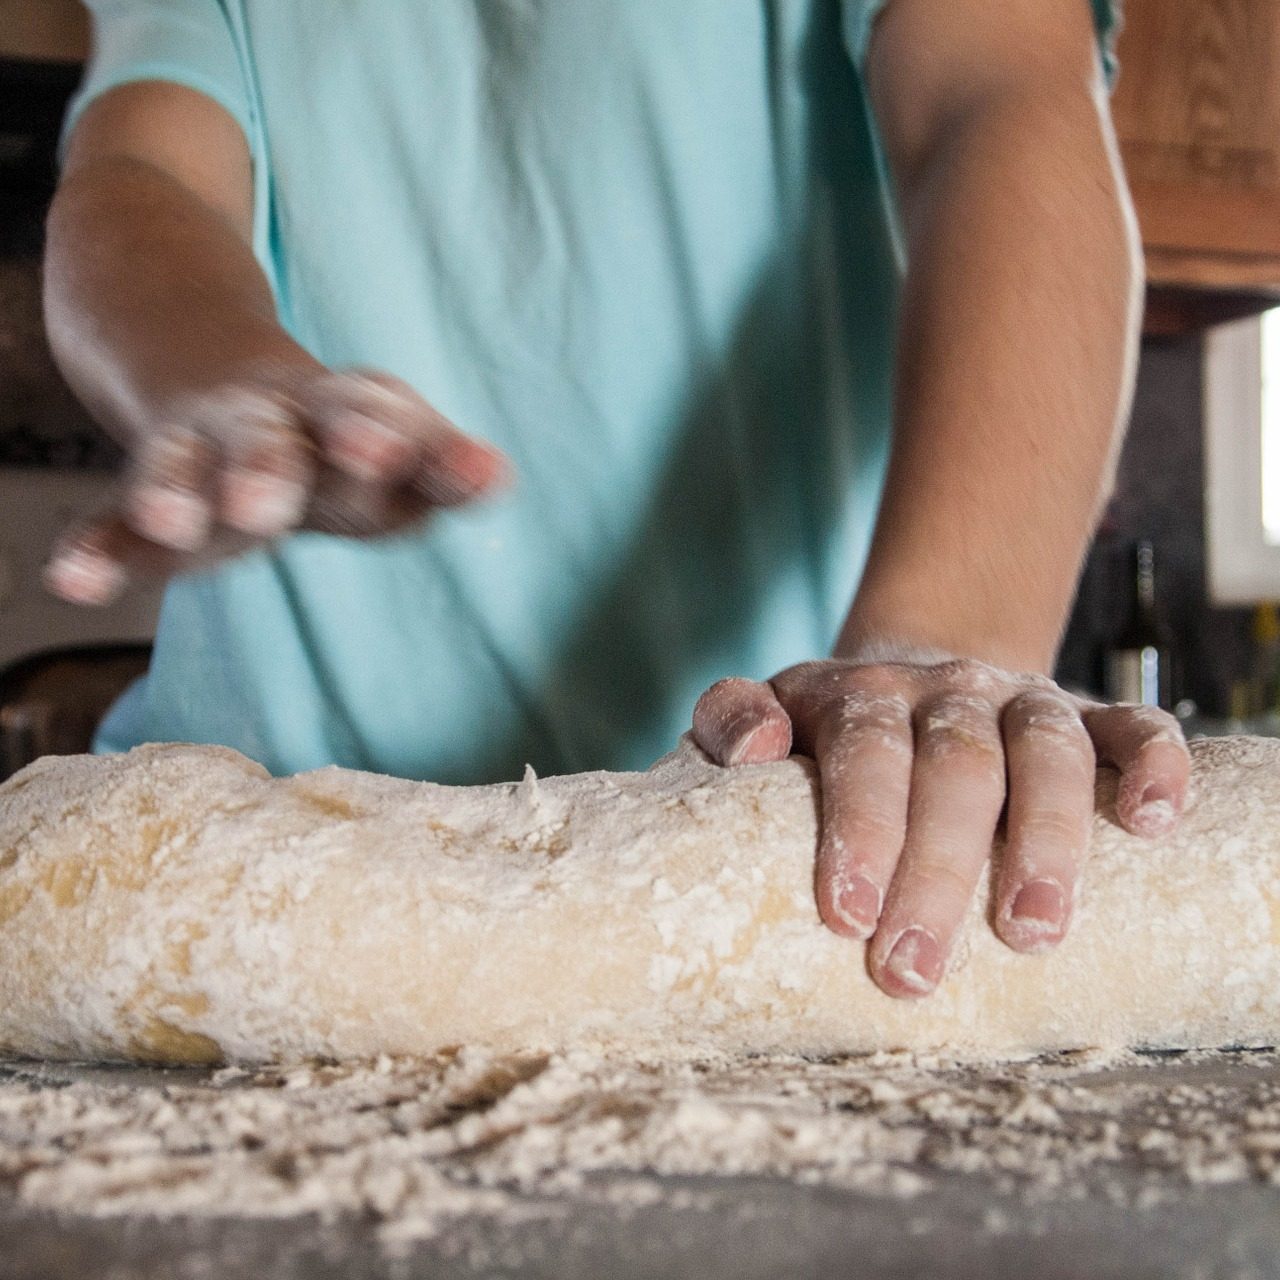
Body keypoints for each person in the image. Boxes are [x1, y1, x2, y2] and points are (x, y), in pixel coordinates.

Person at [42, 0, 1191, 1003]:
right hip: (239, 873)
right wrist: (232, 374)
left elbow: (992, 99)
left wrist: (938, 656)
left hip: (773, 843)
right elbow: (143, 173)